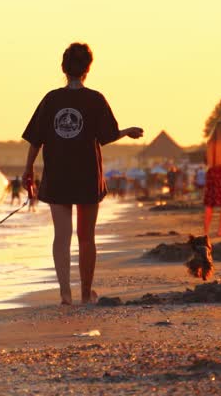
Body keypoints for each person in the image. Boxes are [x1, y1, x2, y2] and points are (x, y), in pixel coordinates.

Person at [22, 42, 143, 306]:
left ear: (63, 68)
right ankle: (86, 293)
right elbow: (108, 136)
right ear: (88, 68)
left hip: (58, 174)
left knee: (61, 236)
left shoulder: (51, 99)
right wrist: (128, 131)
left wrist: (28, 168)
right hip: (87, 174)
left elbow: (36, 140)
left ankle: (65, 293)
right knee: (86, 237)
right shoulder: (95, 99)